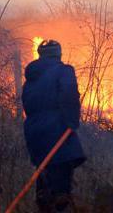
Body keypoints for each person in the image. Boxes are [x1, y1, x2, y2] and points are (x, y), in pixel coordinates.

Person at [22, 40, 86, 212]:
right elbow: (69, 94)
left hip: (33, 132)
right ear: (58, 54)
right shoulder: (64, 71)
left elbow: (28, 105)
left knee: (44, 173)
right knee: (60, 188)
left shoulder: (31, 78)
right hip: (57, 130)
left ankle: (44, 203)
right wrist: (72, 121)